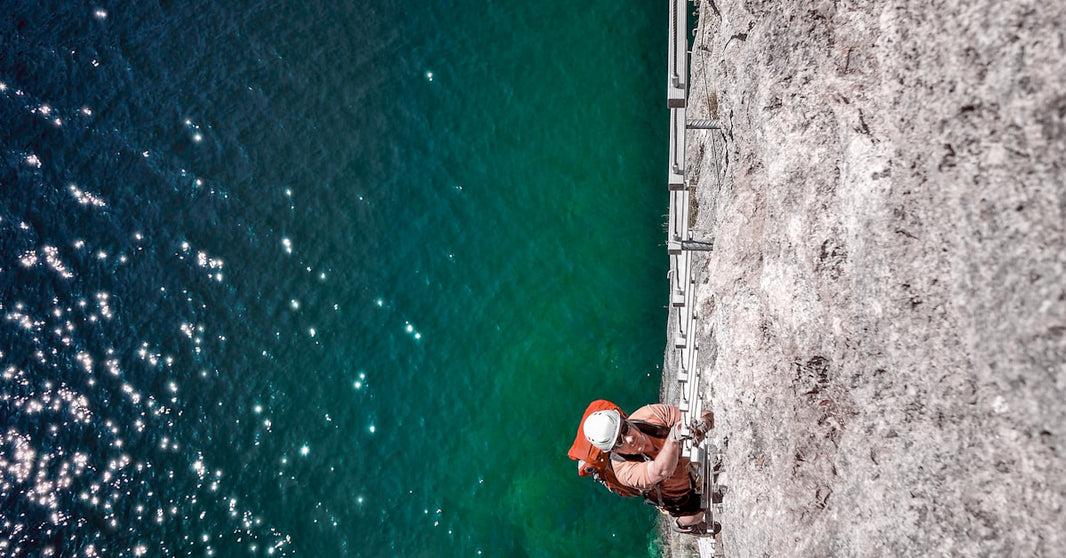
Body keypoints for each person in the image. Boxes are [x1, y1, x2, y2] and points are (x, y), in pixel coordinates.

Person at [582, 403, 714, 534]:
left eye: (625, 429)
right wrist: (673, 438)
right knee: (696, 514)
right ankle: (680, 524)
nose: (630, 439)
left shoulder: (651, 414)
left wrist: (702, 424)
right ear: (612, 450)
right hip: (675, 496)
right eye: (619, 443)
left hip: (688, 469)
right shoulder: (624, 471)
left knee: (702, 484)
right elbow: (660, 471)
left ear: (626, 420)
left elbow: (706, 415)